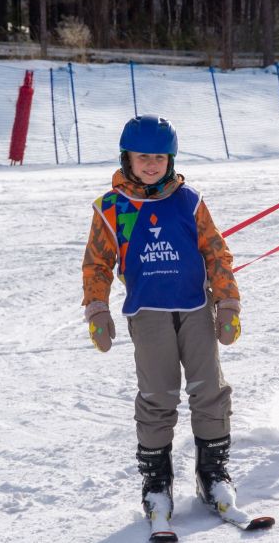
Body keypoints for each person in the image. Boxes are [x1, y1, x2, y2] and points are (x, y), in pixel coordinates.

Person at [81, 115, 243, 525]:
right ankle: (156, 483)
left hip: (195, 307)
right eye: (143, 157)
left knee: (209, 389)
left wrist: (227, 302)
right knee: (158, 395)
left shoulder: (189, 201)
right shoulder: (112, 207)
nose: (151, 165)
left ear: (170, 160)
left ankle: (213, 475)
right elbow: (97, 264)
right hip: (147, 313)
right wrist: (97, 309)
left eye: (159, 157)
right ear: (127, 158)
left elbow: (216, 253)